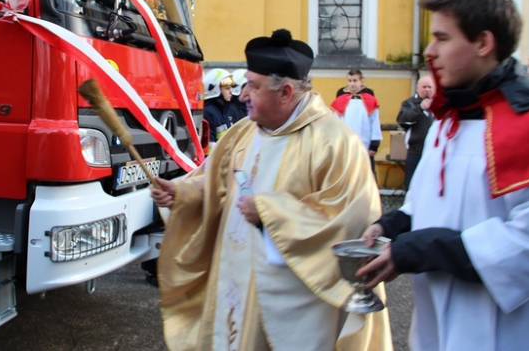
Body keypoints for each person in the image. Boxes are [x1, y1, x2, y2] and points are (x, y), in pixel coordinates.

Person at [358, 0, 529, 351]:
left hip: (518, 331)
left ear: (482, 43)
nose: (430, 51)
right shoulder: (449, 119)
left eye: (442, 38)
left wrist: (423, 249)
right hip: (443, 324)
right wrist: (394, 225)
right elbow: (437, 203)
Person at [151, 29, 392, 350]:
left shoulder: (337, 143)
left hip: (293, 304)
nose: (241, 95)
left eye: (253, 86)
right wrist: (182, 194)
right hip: (234, 285)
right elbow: (214, 185)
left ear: (286, 92)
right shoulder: (243, 133)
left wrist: (271, 213)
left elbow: (351, 223)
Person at [330, 69, 382, 174]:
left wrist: (374, 145)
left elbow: (374, 122)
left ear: (361, 81)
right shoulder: (341, 98)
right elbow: (336, 123)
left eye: (355, 80)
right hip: (346, 145)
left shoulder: (370, 99)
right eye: (349, 81)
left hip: (365, 144)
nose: (352, 84)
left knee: (366, 174)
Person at [395, 75, 435, 190]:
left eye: (429, 87)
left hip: (433, 152)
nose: (427, 90)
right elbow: (402, 119)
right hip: (416, 151)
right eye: (424, 87)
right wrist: (420, 108)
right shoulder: (409, 103)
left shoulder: (438, 104)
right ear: (418, 88)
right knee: (412, 185)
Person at [203, 68, 246, 148]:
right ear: (215, 90)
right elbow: (208, 146)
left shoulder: (225, 110)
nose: (231, 92)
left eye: (230, 88)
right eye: (227, 89)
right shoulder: (209, 112)